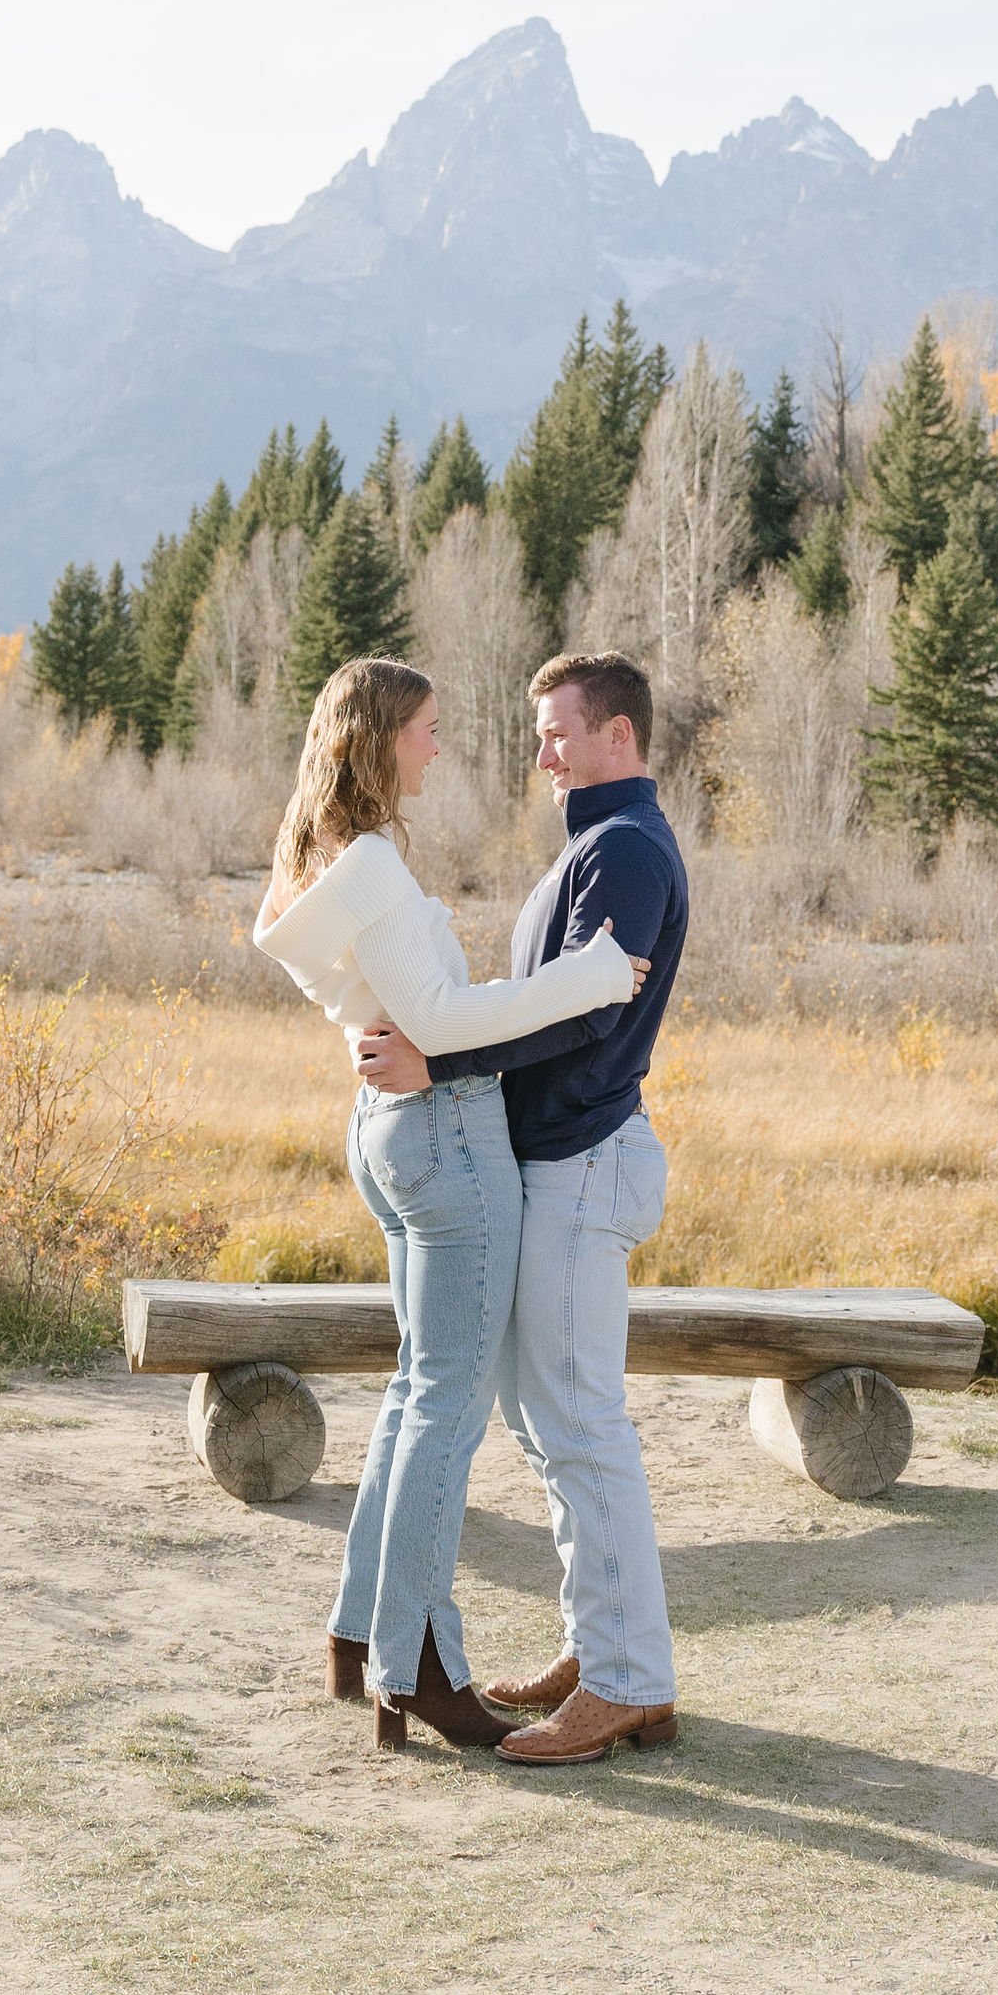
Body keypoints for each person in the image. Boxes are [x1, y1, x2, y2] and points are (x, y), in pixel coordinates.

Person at [252, 655, 649, 1753]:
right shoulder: (372, 862)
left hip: (387, 1137)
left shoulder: (326, 861)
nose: (438, 746)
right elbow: (434, 1013)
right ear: (379, 739)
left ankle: (359, 1630)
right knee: (444, 1409)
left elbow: (371, 995)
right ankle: (418, 1659)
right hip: (448, 1139)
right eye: (425, 728)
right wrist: (588, 979)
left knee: (410, 1395)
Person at [355, 650, 689, 1766]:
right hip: (560, 1160)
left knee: (580, 1423)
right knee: (553, 1429)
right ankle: (600, 1651)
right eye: (540, 731)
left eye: (557, 731)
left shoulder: (627, 853)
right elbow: (548, 1002)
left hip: (582, 1163)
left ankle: (628, 1683)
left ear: (618, 738)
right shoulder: (593, 849)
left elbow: (585, 1020)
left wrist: (438, 1061)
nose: (539, 750)